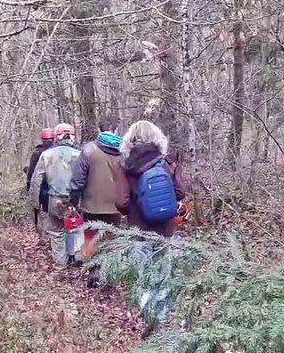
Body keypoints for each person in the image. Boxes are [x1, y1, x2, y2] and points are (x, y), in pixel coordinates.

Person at [119, 120, 186, 337]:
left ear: (130, 139)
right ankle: (162, 317)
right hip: (166, 228)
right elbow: (180, 192)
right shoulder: (167, 161)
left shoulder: (126, 166)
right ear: (157, 137)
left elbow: (121, 201)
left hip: (139, 229)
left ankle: (149, 316)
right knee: (163, 272)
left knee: (142, 274)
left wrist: (136, 208)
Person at [69, 117, 125, 285]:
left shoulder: (88, 150)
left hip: (92, 205)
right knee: (111, 239)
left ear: (100, 131)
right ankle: (109, 275)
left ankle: (94, 275)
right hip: (116, 206)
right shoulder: (124, 152)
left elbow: (78, 180)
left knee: (91, 238)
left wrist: (73, 200)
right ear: (116, 130)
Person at [28, 123, 81, 267]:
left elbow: (36, 180)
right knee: (74, 228)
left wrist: (35, 203)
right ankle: (74, 258)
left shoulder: (46, 155)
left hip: (55, 199)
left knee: (57, 232)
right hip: (76, 200)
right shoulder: (81, 154)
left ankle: (61, 264)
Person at [27, 128, 55, 229]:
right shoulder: (57, 152)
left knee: (42, 211)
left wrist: (29, 187)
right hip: (54, 187)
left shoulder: (37, 153)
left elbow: (31, 173)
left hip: (42, 187)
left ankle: (44, 233)